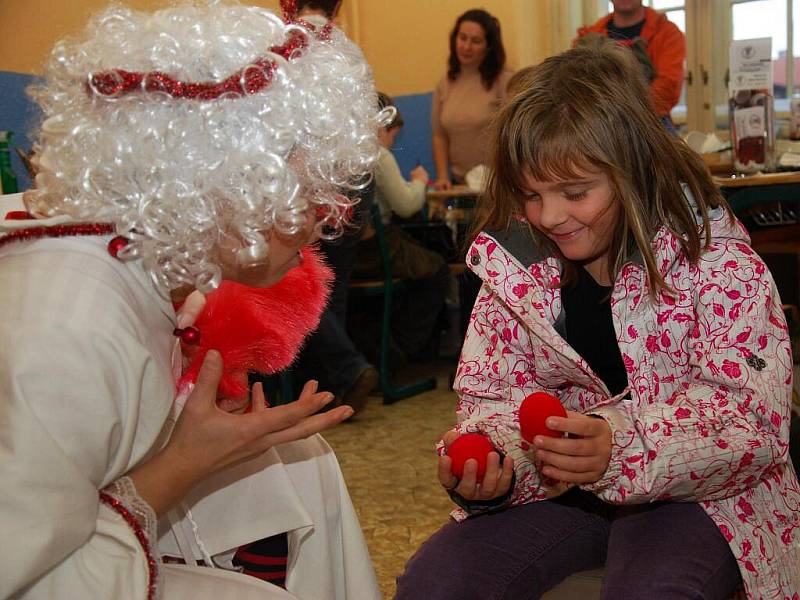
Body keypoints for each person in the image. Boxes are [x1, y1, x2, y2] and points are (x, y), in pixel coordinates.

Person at [0, 3, 384, 598]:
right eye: (305, 195)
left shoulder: (133, 259)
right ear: (231, 185)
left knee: (307, 466)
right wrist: (183, 461)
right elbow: (35, 579)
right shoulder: (70, 333)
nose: (320, 224)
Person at [396, 43, 800, 599]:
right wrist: (495, 463)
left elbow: (751, 426)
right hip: (565, 495)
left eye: (575, 192)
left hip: (704, 498)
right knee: (435, 584)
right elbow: (492, 400)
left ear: (633, 170)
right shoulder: (518, 272)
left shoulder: (719, 266)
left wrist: (620, 446)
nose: (550, 216)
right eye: (532, 195)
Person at [291, 0, 380, 415]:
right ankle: (333, 393)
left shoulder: (288, 44)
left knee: (297, 284)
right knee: (332, 290)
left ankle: (343, 373)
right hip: (355, 182)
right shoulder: (350, 49)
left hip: (311, 183)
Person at [354, 92, 454, 360]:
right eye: (391, 136)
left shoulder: (344, 152)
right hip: (375, 248)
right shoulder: (379, 155)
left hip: (351, 253)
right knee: (437, 270)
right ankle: (401, 352)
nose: (390, 142)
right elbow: (407, 205)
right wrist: (420, 181)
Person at [432, 9, 513, 191]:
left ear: (489, 46)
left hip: (497, 185)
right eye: (462, 38)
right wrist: (443, 176)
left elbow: (513, 134)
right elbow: (439, 136)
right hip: (459, 184)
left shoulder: (504, 81)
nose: (466, 47)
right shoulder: (445, 83)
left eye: (476, 41)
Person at [575, 0, 685, 126]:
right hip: (599, 122)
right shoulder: (587, 38)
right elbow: (578, 87)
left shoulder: (667, 33)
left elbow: (667, 87)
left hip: (650, 120)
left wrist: (625, 114)